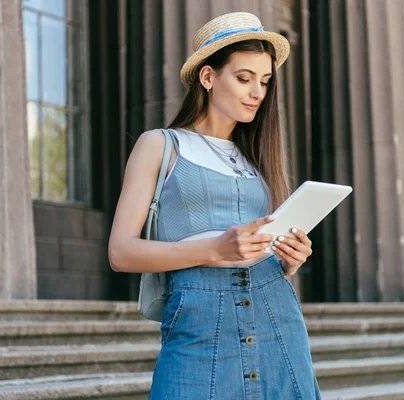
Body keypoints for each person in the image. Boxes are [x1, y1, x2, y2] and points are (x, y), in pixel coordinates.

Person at [108, 11, 322, 400]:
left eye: (264, 81)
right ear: (208, 77)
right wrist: (214, 249)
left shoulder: (259, 160)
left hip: (276, 311)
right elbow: (121, 253)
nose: (257, 92)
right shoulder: (160, 145)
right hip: (199, 318)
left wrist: (289, 259)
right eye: (243, 78)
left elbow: (262, 247)